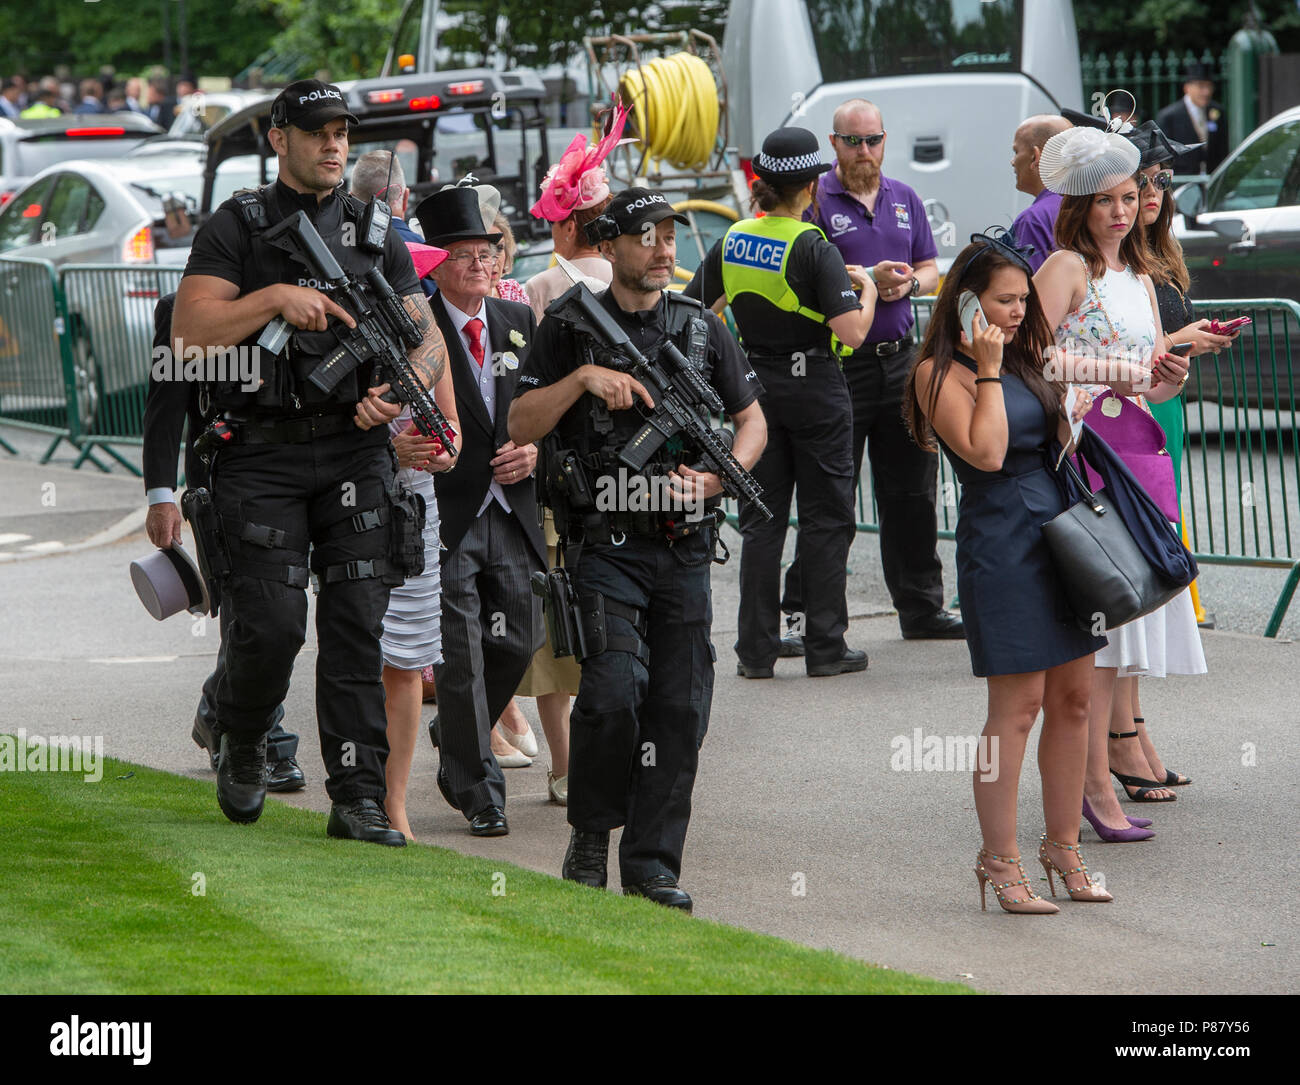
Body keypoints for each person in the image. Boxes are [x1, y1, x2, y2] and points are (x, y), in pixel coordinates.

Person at [170, 79, 449, 846]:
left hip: (357, 447)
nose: (334, 144)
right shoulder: (239, 225)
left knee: (360, 620)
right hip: (260, 453)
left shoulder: (374, 228)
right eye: (319, 131)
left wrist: (399, 390)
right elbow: (189, 335)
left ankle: (356, 794)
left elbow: (427, 341)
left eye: (343, 132)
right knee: (272, 623)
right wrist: (272, 299)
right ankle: (243, 727)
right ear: (279, 139)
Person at [509, 186, 767, 910]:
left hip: (682, 543)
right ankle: (592, 830)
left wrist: (719, 479)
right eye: (648, 236)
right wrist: (583, 379)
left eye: (670, 237)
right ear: (610, 245)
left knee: (681, 705)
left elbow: (753, 421)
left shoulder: (698, 328)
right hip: (606, 543)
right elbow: (522, 420)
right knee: (614, 692)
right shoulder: (567, 326)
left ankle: (652, 863)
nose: (663, 249)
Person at [904, 231, 1108, 913]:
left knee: (1075, 700)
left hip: (1062, 537)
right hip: (1001, 544)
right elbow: (988, 454)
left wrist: (1165, 361)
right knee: (1016, 709)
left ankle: (1063, 847)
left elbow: (1115, 373)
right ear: (967, 304)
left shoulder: (1029, 357)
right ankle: (1000, 859)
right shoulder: (940, 372)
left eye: (1024, 299)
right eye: (1004, 299)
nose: (1020, 311)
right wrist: (987, 368)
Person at [1032, 125, 1204, 840]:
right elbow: (1032, 360)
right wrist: (1118, 373)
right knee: (1099, 618)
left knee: (1128, 613)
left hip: (1136, 449)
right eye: (1105, 200)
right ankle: (1093, 786)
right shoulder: (1066, 267)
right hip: (1083, 450)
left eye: (1130, 197)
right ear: (1079, 205)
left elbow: (1152, 385)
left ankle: (1100, 779)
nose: (1121, 211)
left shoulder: (1140, 276)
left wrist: (1168, 377)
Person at [684, 126, 876, 677]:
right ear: (811, 186)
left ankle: (756, 651)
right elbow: (853, 333)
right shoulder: (814, 246)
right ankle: (825, 646)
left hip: (756, 391)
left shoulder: (734, 238)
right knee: (826, 520)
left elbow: (697, 309)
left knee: (761, 521)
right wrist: (862, 289)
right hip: (816, 388)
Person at [782, 98, 963, 644]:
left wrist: (910, 284)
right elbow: (805, 265)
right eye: (854, 141)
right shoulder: (815, 199)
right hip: (840, 366)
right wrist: (865, 277)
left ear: (885, 141)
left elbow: (932, 266)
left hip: (900, 362)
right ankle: (801, 614)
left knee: (912, 492)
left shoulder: (905, 197)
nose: (865, 151)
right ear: (833, 143)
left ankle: (921, 609)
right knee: (829, 497)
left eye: (874, 140)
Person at [413, 184, 546, 838]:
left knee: (520, 636)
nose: (480, 265)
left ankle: (458, 732)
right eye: (464, 254)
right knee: (461, 654)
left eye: (487, 252)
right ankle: (476, 787)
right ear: (436, 263)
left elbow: (544, 407)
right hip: (445, 509)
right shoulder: (417, 324)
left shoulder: (516, 322)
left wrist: (535, 448)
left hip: (510, 508)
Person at [143, 293, 305, 792]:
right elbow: (166, 406)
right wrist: (160, 496)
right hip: (221, 482)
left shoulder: (304, 292)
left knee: (274, 612)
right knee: (252, 606)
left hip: (304, 481)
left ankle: (218, 709)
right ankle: (259, 737)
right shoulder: (183, 309)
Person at [348, 160, 461, 840]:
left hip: (413, 514)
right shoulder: (341, 329)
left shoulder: (428, 339)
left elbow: (451, 446)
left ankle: (394, 796)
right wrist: (387, 448)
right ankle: (357, 788)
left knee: (407, 660)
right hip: (348, 498)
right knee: (356, 647)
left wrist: (429, 450)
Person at [1009, 114, 1071, 273]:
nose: (1013, 161)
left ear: (1035, 156)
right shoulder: (1092, 205)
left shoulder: (1034, 219)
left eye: (1016, 151)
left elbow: (1028, 291)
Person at [1155, 63, 1228, 176]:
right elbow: (1163, 158)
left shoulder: (1218, 111)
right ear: (1187, 88)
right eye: (1201, 86)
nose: (1206, 92)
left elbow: (1222, 150)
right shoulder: (1169, 117)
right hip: (1182, 182)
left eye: (1209, 86)